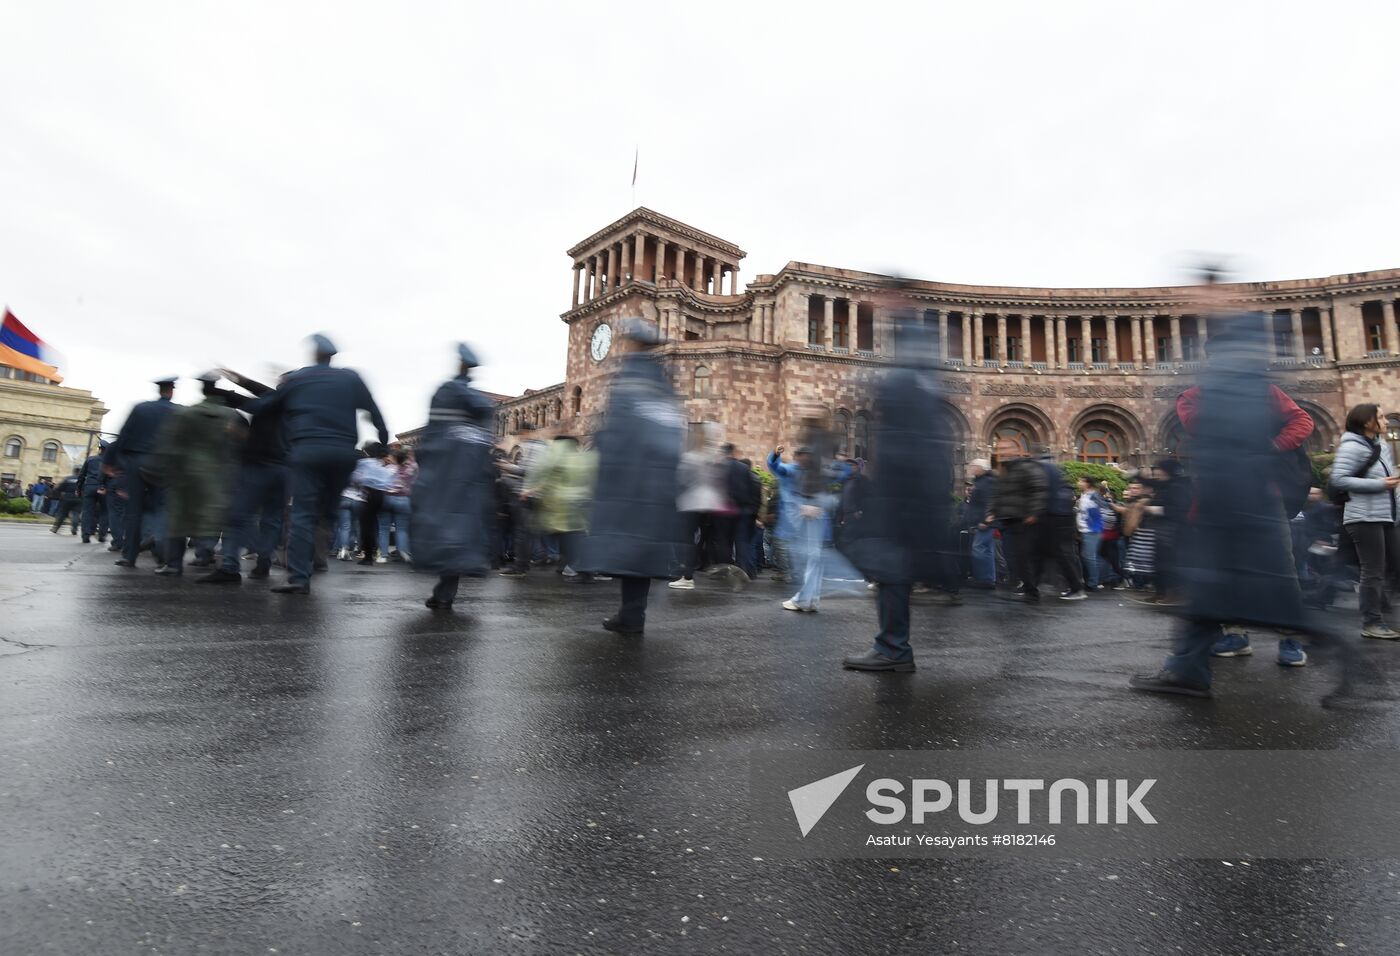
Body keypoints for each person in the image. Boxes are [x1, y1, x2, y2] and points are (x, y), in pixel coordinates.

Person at [1129, 293, 1362, 700]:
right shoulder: (1207, 396)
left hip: (1251, 503)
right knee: (1208, 587)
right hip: (1222, 503)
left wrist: (1273, 446)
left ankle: (1337, 661)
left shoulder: (1250, 392)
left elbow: (1301, 420)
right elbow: (1200, 426)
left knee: (1278, 587)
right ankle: (1190, 669)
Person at [839, 319, 956, 672]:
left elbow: (903, 446)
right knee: (896, 573)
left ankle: (893, 649)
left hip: (903, 501)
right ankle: (893, 646)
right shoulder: (927, 384)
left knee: (890, 571)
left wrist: (886, 497)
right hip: (915, 500)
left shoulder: (907, 383)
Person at [241, 334, 388, 595]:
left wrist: (233, 398)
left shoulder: (298, 378)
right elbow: (374, 412)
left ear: (313, 354)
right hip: (343, 453)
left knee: (302, 516)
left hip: (307, 452)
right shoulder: (350, 378)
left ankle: (299, 578)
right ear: (332, 356)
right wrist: (383, 441)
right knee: (327, 512)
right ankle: (326, 519)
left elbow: (265, 405)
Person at [576, 317, 687, 635]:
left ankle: (630, 615)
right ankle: (632, 614)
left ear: (633, 343)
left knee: (625, 546)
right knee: (642, 551)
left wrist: (600, 450)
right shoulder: (665, 387)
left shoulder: (629, 380)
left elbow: (617, 433)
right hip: (659, 485)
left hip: (629, 480)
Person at [410, 344, 498, 610]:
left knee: (436, 524)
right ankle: (445, 592)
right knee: (461, 530)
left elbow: (430, 437)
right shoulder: (482, 408)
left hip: (442, 475)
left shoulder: (445, 393)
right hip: (470, 480)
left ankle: (441, 587)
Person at [196, 368, 289, 584]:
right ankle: (263, 562)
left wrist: (217, 391)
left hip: (259, 465)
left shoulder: (275, 401)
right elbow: (260, 390)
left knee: (237, 517)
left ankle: (232, 566)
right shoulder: (301, 405)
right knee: (272, 519)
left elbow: (253, 403)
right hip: (285, 469)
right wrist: (237, 378)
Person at [151, 371, 240, 576]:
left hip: (186, 474)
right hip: (219, 475)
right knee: (211, 517)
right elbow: (237, 447)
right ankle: (205, 554)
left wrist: (162, 469)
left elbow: (170, 445)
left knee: (179, 518)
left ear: (201, 389)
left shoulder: (187, 413)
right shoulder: (231, 416)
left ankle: (173, 565)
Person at [1328, 403, 1400, 640]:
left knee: (1391, 566)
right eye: (1380, 417)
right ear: (1367, 421)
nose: (1386, 421)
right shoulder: (1351, 447)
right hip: (1364, 518)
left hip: (1386, 516)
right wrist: (1379, 485)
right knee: (1373, 570)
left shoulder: (1383, 446)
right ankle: (1372, 622)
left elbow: (1391, 483)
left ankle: (1380, 611)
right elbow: (1339, 479)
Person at [107, 376, 179, 568]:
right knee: (161, 509)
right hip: (165, 465)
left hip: (137, 463)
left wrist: (110, 461)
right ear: (171, 391)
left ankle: (129, 556)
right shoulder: (179, 411)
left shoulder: (141, 408)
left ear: (159, 391)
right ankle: (160, 546)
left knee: (134, 511)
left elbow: (123, 435)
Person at [524, 434, 598, 579]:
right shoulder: (580, 456)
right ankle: (577, 568)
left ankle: (575, 567)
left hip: (561, 505)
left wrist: (531, 489)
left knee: (567, 538)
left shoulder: (557, 453)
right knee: (576, 537)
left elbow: (546, 472)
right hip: (578, 504)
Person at [988, 438, 1047, 601]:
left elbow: (1039, 489)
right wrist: (991, 511)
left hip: (1023, 520)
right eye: (999, 449)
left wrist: (1034, 513)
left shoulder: (1024, 467)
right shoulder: (1002, 471)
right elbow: (997, 494)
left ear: (1014, 450)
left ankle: (1031, 592)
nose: (1001, 452)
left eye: (1005, 448)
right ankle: (1021, 588)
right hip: (1007, 520)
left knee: (1023, 557)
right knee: (1011, 557)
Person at [670, 427, 727, 590]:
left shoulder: (689, 457)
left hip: (691, 502)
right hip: (708, 503)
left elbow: (682, 480)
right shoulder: (710, 457)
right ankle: (692, 572)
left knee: (685, 539)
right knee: (700, 539)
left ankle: (686, 576)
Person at [498, 424, 546, 576]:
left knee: (521, 531)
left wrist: (505, 467)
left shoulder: (530, 447)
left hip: (527, 493)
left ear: (525, 433)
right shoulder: (543, 446)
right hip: (538, 493)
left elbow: (526, 471)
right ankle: (536, 557)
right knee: (529, 530)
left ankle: (521, 566)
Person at [723, 443, 762, 579]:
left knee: (732, 542)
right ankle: (747, 570)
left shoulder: (728, 470)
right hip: (749, 512)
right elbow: (757, 498)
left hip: (735, 511)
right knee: (744, 543)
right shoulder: (753, 476)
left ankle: (735, 570)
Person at [965, 459, 997, 588]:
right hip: (982, 520)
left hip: (984, 522)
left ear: (981, 468)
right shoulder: (982, 481)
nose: (972, 468)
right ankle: (988, 578)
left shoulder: (986, 482)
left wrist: (986, 519)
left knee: (979, 549)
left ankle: (985, 579)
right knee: (986, 550)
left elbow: (990, 501)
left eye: (974, 466)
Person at [1075, 476, 1105, 590]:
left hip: (1092, 531)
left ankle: (1094, 582)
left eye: (1081, 480)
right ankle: (1098, 579)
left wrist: (1089, 526)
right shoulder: (1085, 495)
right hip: (1087, 530)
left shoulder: (1093, 496)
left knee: (1089, 557)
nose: (1078, 482)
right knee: (1090, 556)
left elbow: (1096, 514)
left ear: (1087, 484)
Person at [78, 443, 109, 543]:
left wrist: (78, 489)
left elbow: (82, 475)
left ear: (100, 449)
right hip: (104, 488)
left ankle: (85, 535)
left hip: (90, 487)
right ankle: (102, 535)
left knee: (87, 511)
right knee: (105, 512)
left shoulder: (90, 459)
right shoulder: (111, 461)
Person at [49, 469, 81, 535]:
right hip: (78, 498)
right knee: (76, 514)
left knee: (62, 513)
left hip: (67, 498)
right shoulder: (83, 479)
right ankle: (74, 528)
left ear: (74, 472)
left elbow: (58, 488)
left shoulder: (68, 478)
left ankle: (56, 527)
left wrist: (59, 494)